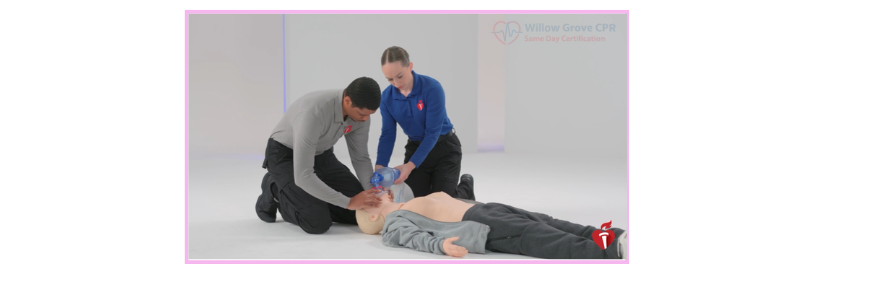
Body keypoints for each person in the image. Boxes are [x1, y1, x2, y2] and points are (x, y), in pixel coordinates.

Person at [255, 77, 385, 234]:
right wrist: (349, 202)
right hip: (285, 156)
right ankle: (274, 187)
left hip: (321, 154)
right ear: (347, 101)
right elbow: (303, 175)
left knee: (359, 210)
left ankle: (311, 197)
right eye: (362, 114)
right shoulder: (313, 113)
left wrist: (375, 193)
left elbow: (360, 158)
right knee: (316, 221)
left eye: (370, 115)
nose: (365, 119)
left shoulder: (362, 116)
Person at [357, 191, 626, 259]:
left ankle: (612, 236)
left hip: (486, 209)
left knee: (547, 221)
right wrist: (440, 245)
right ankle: (608, 251)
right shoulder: (394, 223)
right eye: (369, 200)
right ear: (373, 217)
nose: (375, 193)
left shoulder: (407, 201)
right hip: (480, 224)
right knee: (538, 235)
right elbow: (413, 238)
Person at [375, 46, 475, 200]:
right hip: (416, 148)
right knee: (415, 201)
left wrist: (409, 166)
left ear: (410, 66)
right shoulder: (386, 98)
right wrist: (380, 167)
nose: (396, 83)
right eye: (389, 79)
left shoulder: (432, 88)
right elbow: (388, 134)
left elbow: (432, 133)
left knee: (441, 202)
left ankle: (466, 187)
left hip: (444, 149)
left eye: (399, 76)